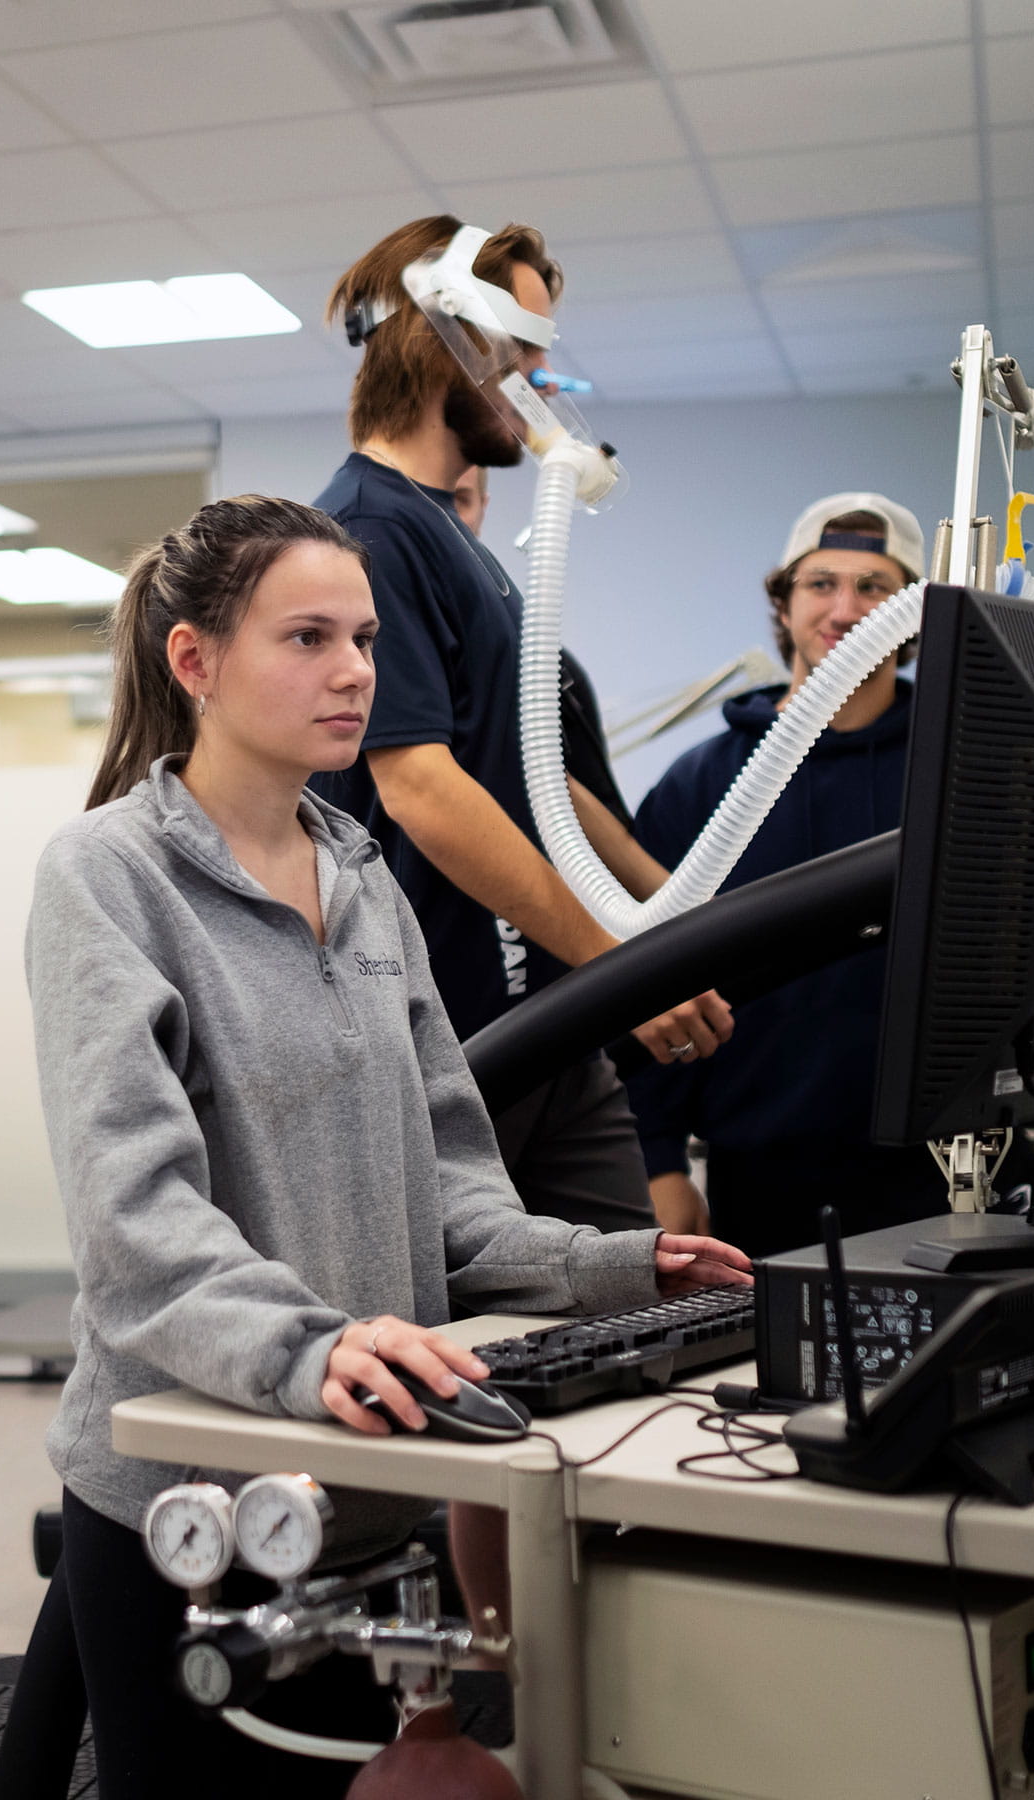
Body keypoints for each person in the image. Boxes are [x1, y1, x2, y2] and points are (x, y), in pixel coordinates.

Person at [0, 495, 751, 1800]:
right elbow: (139, 1227)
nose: (356, 671)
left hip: (370, 1486)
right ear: (196, 663)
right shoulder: (107, 879)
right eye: (307, 638)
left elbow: (450, 1185)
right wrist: (315, 1346)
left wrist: (618, 1266)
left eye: (364, 637)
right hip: (202, 1501)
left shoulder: (364, 876)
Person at [311, 217, 733, 1235]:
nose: (542, 373)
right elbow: (420, 788)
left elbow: (533, 775)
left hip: (553, 1021)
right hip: (455, 1038)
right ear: (443, 336)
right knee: (484, 1351)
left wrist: (669, 923)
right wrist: (611, 964)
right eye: (523, 342)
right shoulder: (367, 532)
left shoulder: (459, 547)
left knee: (632, 1308)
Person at [624, 495, 947, 1253]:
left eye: (875, 587)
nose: (845, 607)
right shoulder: (703, 783)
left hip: (936, 1163)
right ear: (784, 602)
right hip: (760, 1167)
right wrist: (659, 1160)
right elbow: (645, 975)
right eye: (821, 583)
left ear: (912, 615)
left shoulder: (953, 768)